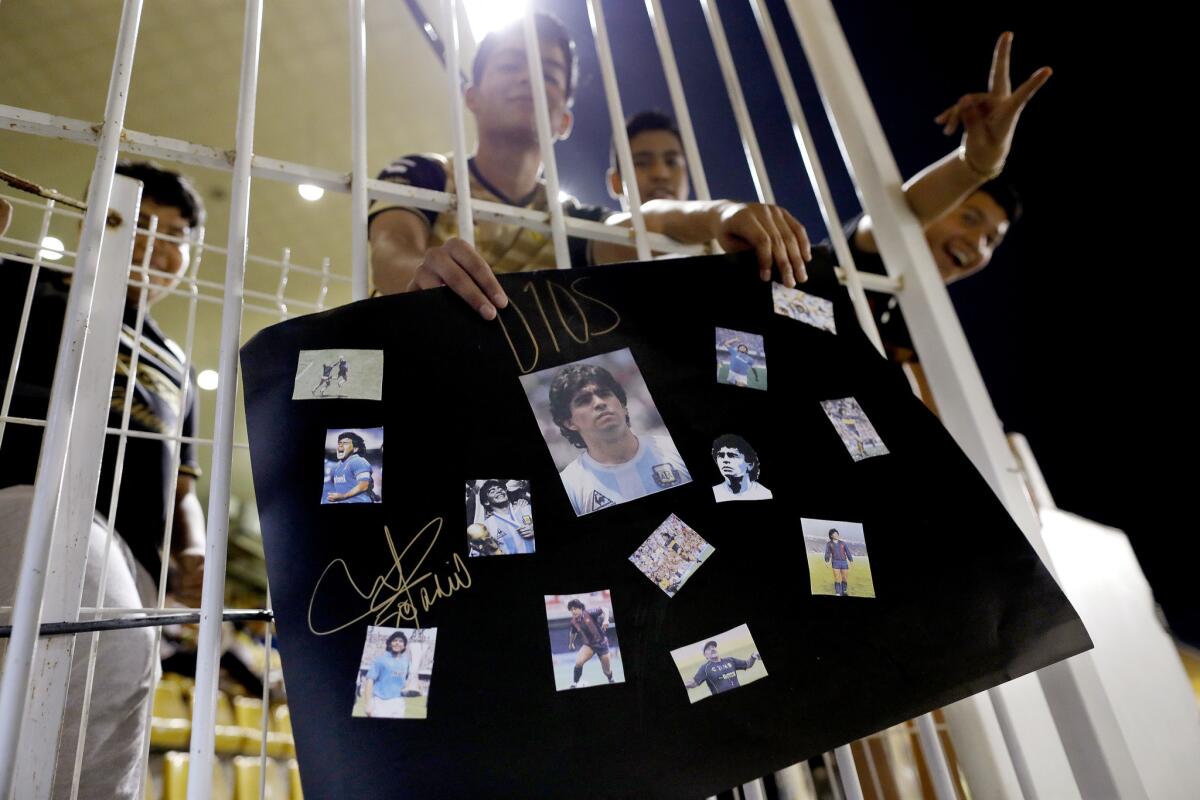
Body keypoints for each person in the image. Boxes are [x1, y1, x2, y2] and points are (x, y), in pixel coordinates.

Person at [368, 13, 813, 317]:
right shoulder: (423, 173)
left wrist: (720, 213)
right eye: (511, 64)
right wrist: (421, 270)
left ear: (564, 121)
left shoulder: (571, 218)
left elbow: (640, 223)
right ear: (471, 96)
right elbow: (389, 250)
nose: (529, 78)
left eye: (549, 74)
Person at [0, 161, 207, 800]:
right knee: (86, 674)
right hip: (45, 502)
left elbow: (184, 483)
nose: (156, 243)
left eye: (175, 234)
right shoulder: (36, 286)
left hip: (138, 554)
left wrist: (192, 547)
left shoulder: (176, 363)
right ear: (101, 220)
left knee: (114, 717)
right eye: (139, 221)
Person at [843, 33, 1049, 407]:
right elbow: (902, 216)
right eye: (970, 219)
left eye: (991, 241)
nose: (977, 243)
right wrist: (977, 165)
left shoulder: (926, 334)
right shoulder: (861, 254)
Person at [548, 362, 690, 515]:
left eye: (604, 394)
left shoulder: (674, 449)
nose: (599, 402)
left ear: (622, 405)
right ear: (569, 422)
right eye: (584, 401)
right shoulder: (570, 486)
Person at [565, 598, 616, 688]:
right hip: (589, 646)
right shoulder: (573, 622)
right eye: (571, 610)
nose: (573, 611)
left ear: (580, 608)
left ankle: (610, 679)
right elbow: (572, 633)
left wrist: (606, 620)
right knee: (578, 662)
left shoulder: (589, 612)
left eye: (575, 609)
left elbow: (605, 609)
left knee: (606, 671)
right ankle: (574, 683)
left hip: (602, 644)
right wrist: (571, 643)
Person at [478, 479, 534, 554]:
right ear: (486, 502)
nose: (498, 491)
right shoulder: (487, 526)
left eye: (500, 488)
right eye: (492, 491)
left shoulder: (526, 508)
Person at [362, 631, 412, 718]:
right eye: (395, 640)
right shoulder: (380, 660)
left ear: (404, 646)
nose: (397, 643)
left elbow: (406, 681)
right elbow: (369, 681)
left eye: (401, 641)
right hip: (380, 702)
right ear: (389, 643)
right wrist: (367, 704)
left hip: (399, 702)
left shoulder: (407, 661)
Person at [684, 641, 761, 696]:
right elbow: (694, 683)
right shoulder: (705, 668)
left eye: (713, 647)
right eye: (708, 649)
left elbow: (747, 664)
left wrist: (753, 656)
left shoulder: (730, 660)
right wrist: (686, 685)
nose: (712, 649)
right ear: (705, 655)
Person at [711, 434, 772, 502]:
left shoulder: (764, 494)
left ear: (750, 464)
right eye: (721, 455)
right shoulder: (715, 493)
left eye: (732, 455)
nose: (725, 460)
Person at [322, 431, 377, 504]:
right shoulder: (337, 466)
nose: (340, 445)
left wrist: (343, 496)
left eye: (345, 443)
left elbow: (364, 485)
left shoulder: (358, 461)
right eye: (339, 443)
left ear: (355, 449)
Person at [824, 529, 854, 597]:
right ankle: (837, 592)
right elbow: (827, 553)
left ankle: (844, 591)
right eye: (835, 534)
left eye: (837, 533)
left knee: (845, 578)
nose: (837, 535)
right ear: (831, 535)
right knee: (837, 578)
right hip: (835, 562)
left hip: (844, 562)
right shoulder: (829, 544)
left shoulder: (843, 543)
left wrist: (851, 560)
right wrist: (827, 561)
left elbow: (848, 552)